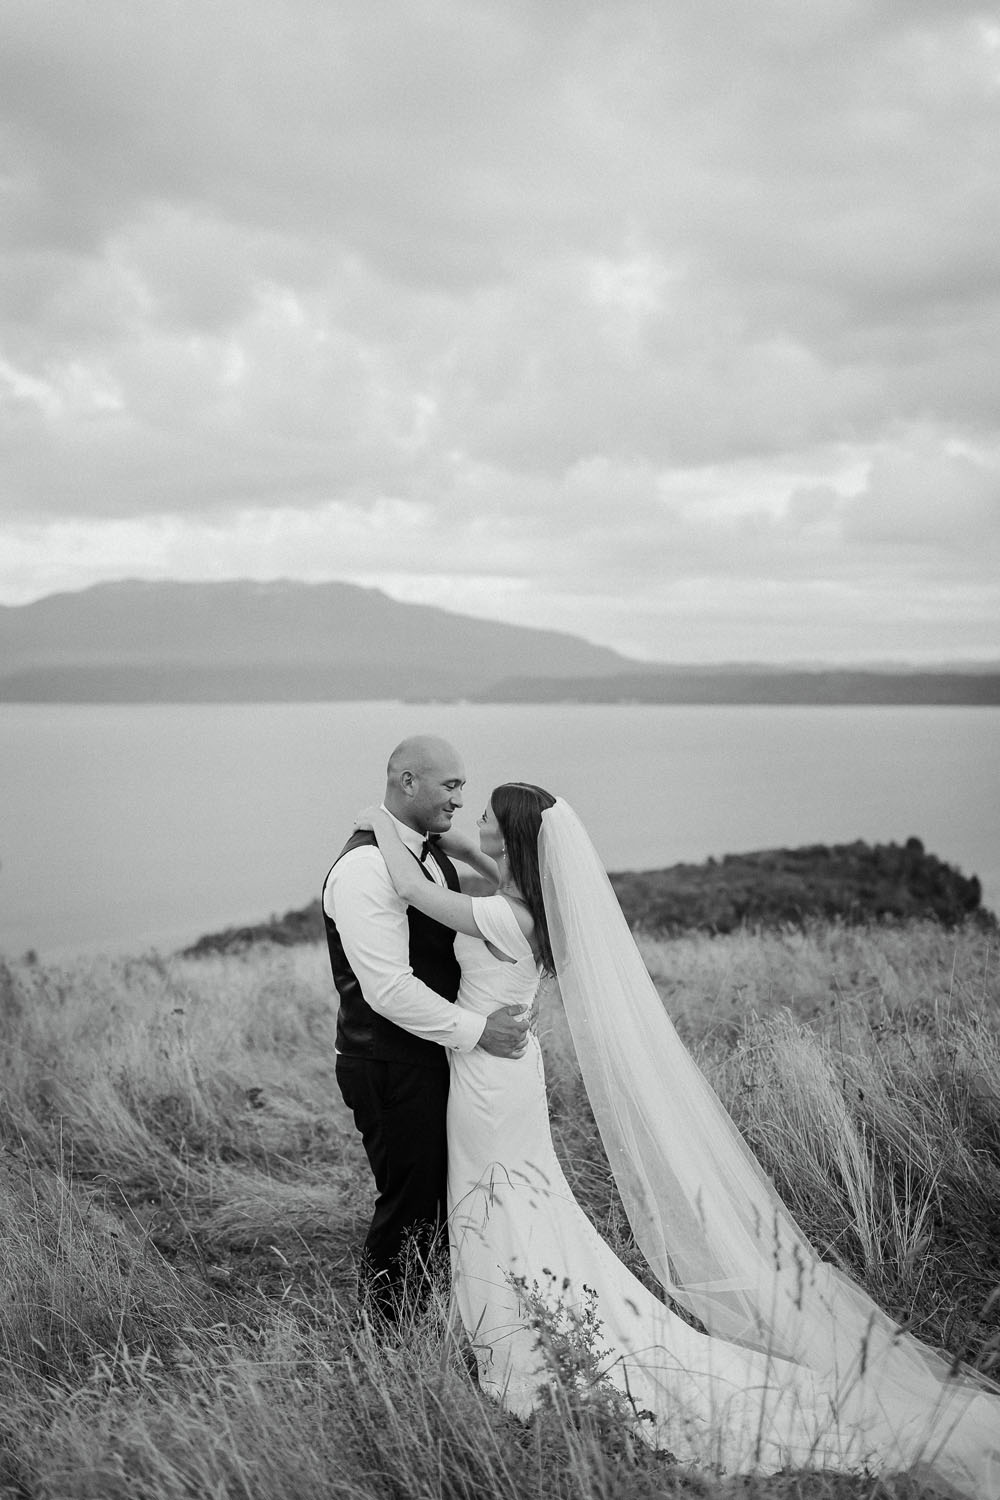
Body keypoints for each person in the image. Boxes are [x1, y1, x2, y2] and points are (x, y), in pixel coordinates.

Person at [356, 784, 1000, 1496]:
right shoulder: (519, 900)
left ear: (510, 835)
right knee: (518, 1201)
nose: (473, 818)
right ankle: (515, 1321)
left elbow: (413, 888)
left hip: (489, 1080)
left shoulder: (504, 916)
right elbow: (472, 853)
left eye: (486, 814)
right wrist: (436, 832)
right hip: (504, 1070)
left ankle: (517, 1342)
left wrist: (378, 824)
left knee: (500, 1198)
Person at [322, 736, 529, 1322]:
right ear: (407, 782)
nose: (461, 800)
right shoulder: (366, 867)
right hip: (388, 1061)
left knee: (439, 1196)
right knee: (410, 1201)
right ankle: (389, 1338)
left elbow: (452, 851)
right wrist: (476, 1031)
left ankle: (431, 1319)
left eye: (464, 787)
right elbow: (387, 989)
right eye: (451, 785)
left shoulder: (427, 850)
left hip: (434, 1055)